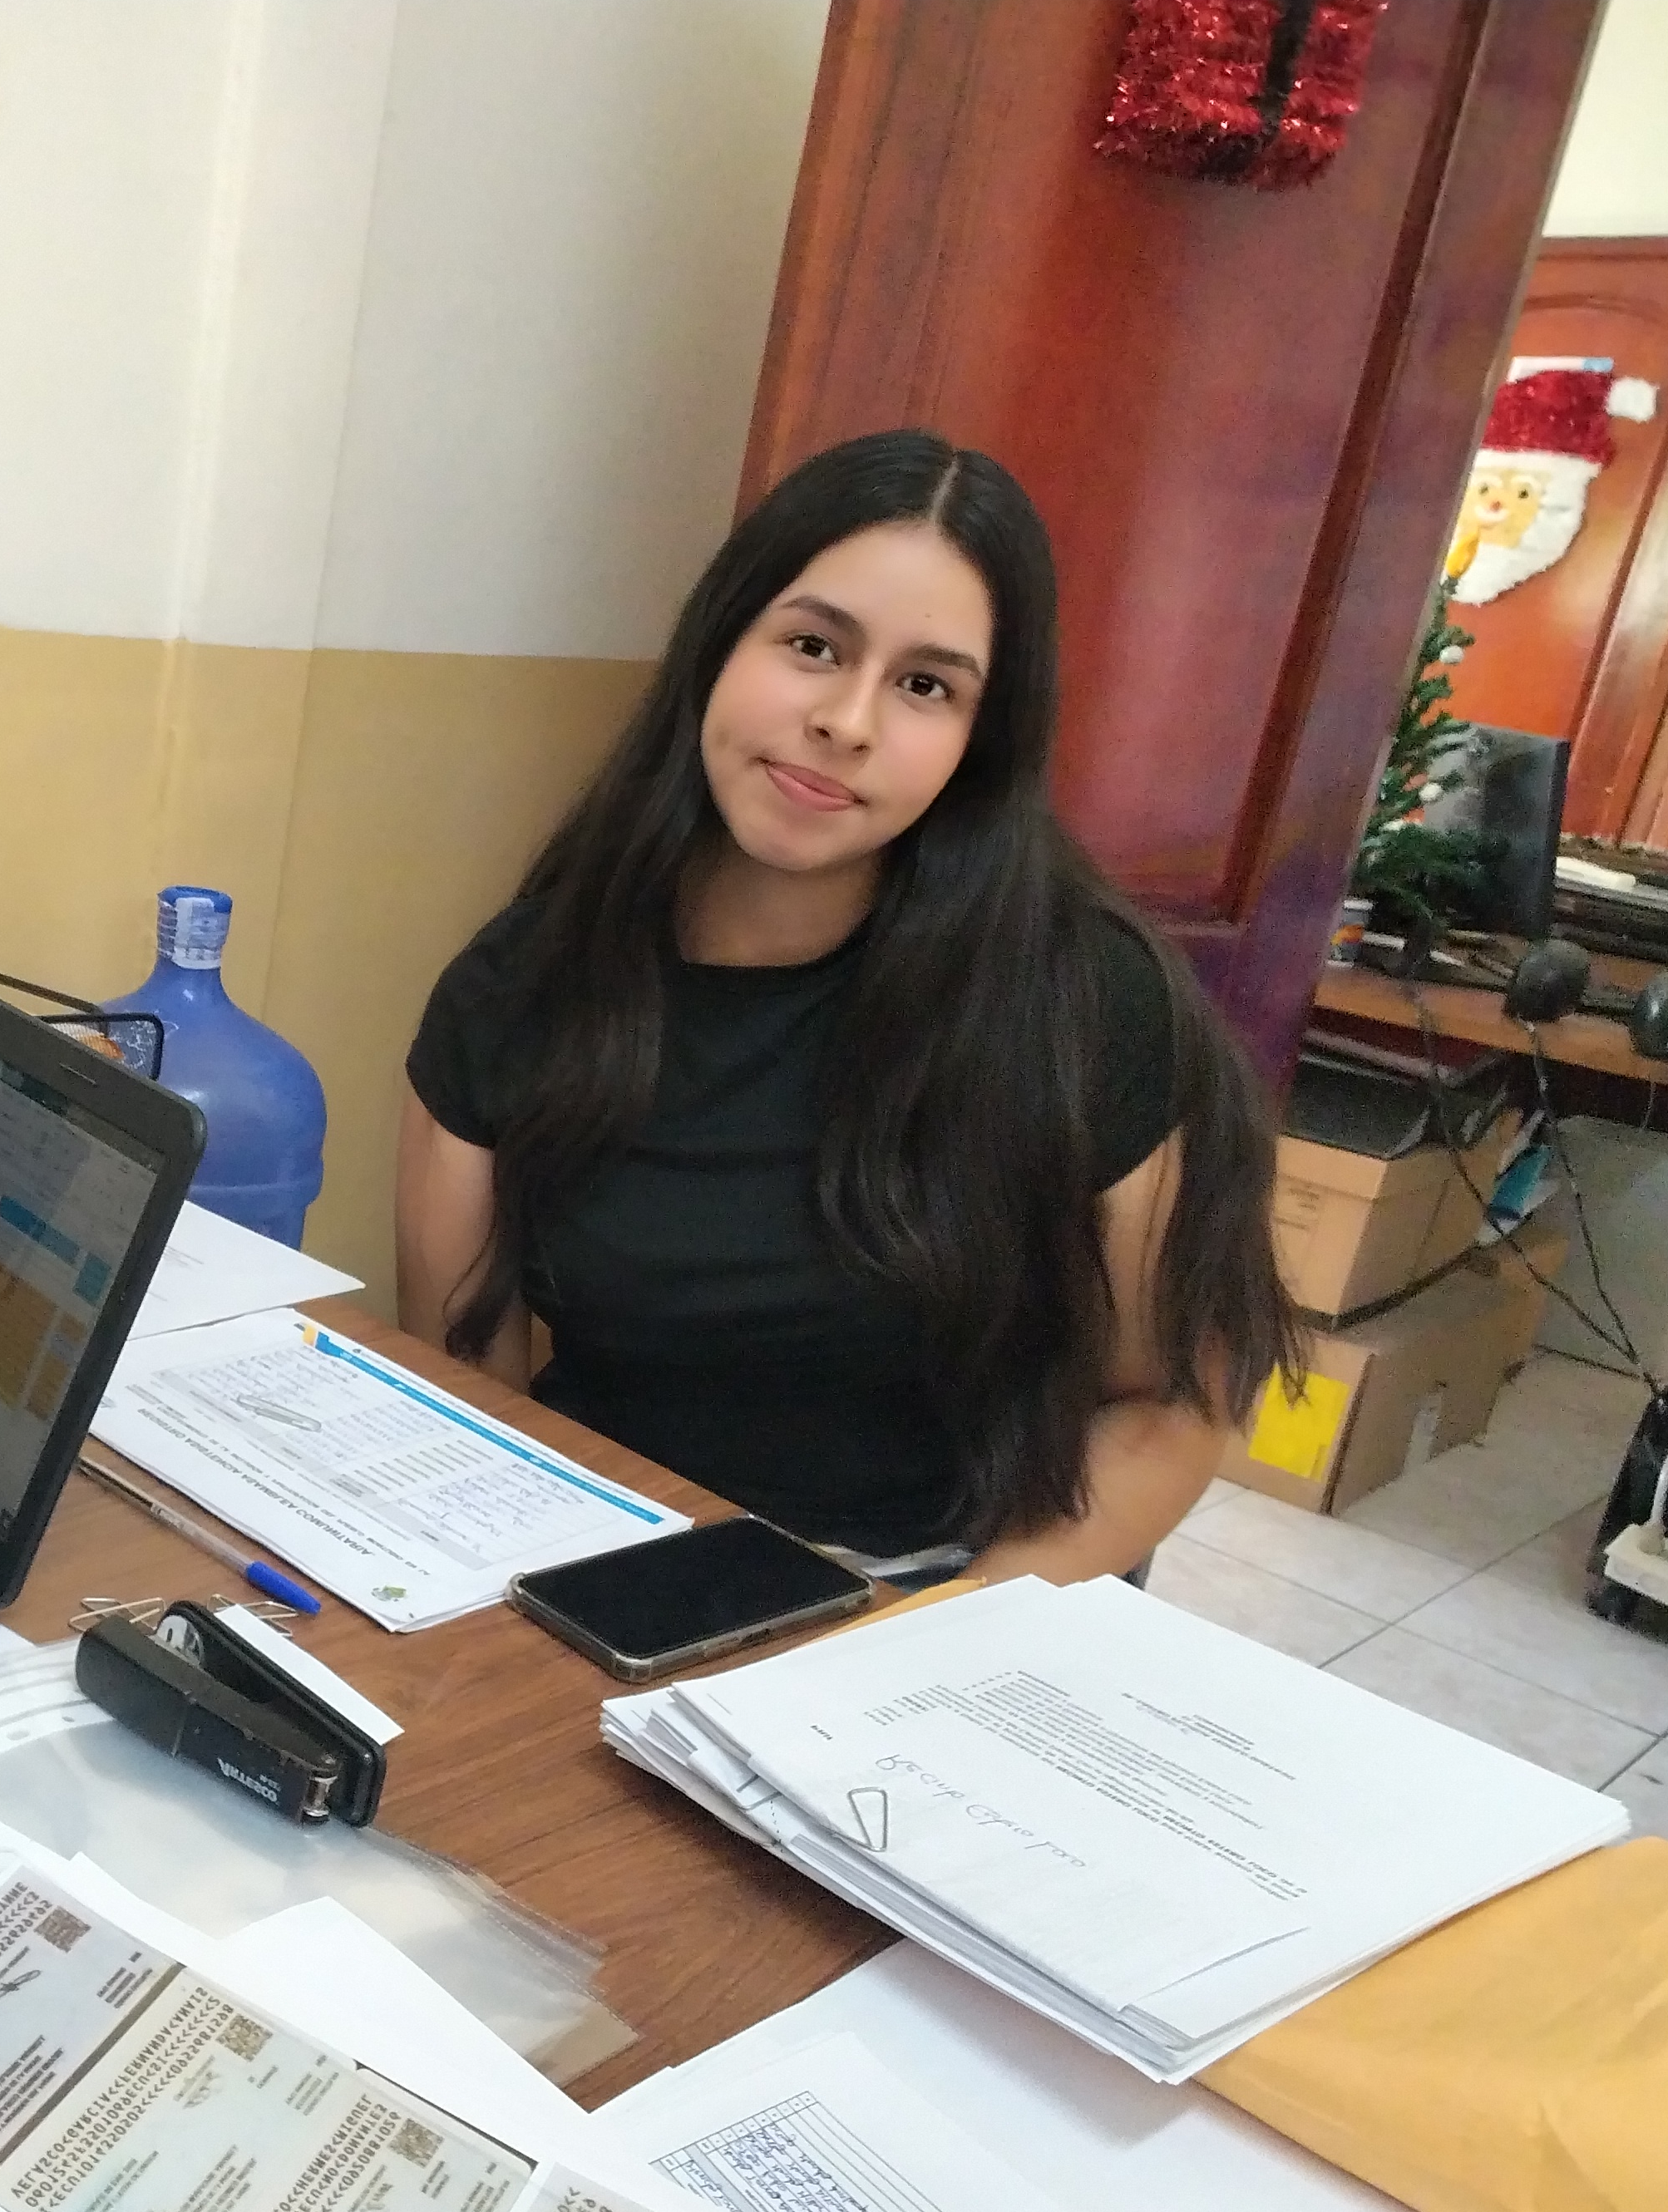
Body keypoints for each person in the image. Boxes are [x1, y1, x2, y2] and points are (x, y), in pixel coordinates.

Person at [396, 431, 1290, 1585]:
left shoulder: (1086, 1005)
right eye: (814, 646)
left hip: (936, 1594)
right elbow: (469, 1387)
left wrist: (932, 1633)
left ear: (980, 740)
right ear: (720, 644)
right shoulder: (520, 986)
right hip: (610, 1576)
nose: (849, 722)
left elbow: (1169, 1405)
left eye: (926, 686)